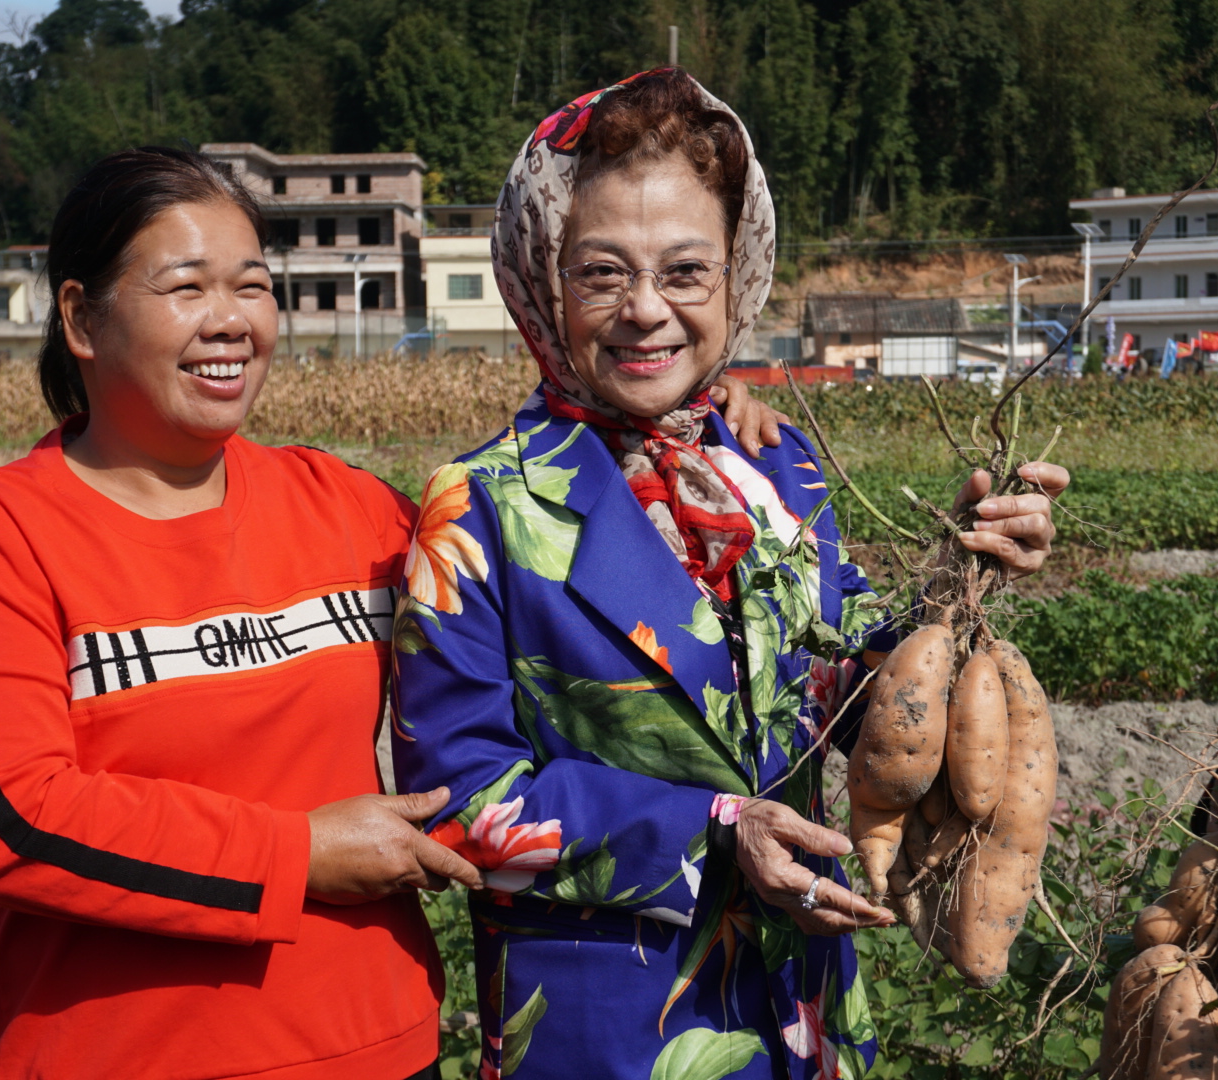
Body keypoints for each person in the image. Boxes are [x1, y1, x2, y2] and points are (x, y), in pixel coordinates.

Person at [0, 145, 787, 1080]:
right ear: (82, 317)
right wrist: (294, 855)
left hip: (378, 1047)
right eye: (187, 287)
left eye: (252, 286)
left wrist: (685, 422)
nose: (231, 320)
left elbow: (546, 572)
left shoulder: (346, 510)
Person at [390, 69, 1068, 1079]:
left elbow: (846, 690)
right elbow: (458, 798)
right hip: (612, 1034)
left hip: (803, 1014)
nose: (645, 310)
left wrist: (954, 587)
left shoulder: (774, 469)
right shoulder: (481, 507)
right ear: (541, 276)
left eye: (684, 271)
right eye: (601, 273)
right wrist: (713, 833)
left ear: (734, 277)